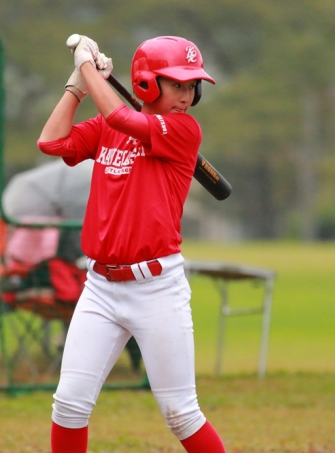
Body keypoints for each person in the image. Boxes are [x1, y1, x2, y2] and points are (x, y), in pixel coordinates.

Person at [37, 34, 226, 453]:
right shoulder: (109, 125)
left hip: (156, 289)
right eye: (176, 84)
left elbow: (124, 119)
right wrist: (77, 87)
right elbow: (51, 141)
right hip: (100, 288)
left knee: (181, 413)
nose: (186, 96)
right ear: (145, 83)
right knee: (69, 405)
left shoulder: (183, 129)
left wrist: (88, 66)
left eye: (192, 86)